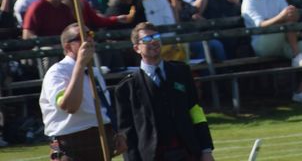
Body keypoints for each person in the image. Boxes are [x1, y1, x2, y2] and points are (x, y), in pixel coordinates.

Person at [115, 21, 215, 161]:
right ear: (137, 48)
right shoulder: (126, 88)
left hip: (187, 150)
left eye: (156, 37)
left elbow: (196, 111)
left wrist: (206, 149)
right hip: (152, 155)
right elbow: (127, 133)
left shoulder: (182, 72)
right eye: (147, 39)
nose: (153, 42)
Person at [40, 23, 124, 161]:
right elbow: (69, 106)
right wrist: (79, 64)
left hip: (101, 139)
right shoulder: (57, 72)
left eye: (90, 35)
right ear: (68, 46)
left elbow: (104, 108)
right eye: (81, 37)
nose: (88, 40)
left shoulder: (94, 72)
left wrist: (117, 132)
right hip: (72, 144)